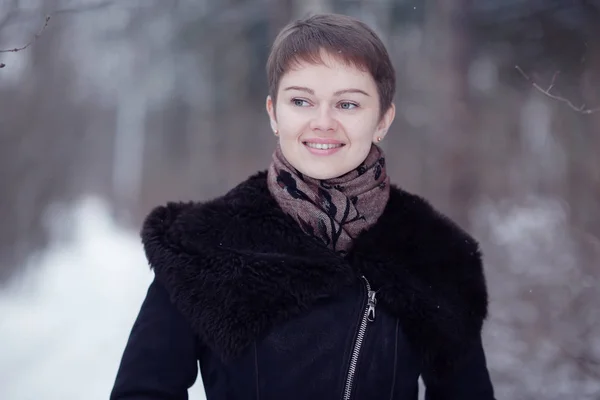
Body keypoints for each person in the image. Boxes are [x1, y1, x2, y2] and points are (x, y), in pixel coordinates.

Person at [110, 13, 496, 400]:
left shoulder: (436, 255)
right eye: (301, 101)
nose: (322, 122)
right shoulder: (200, 246)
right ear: (274, 113)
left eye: (347, 104)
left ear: (383, 120)